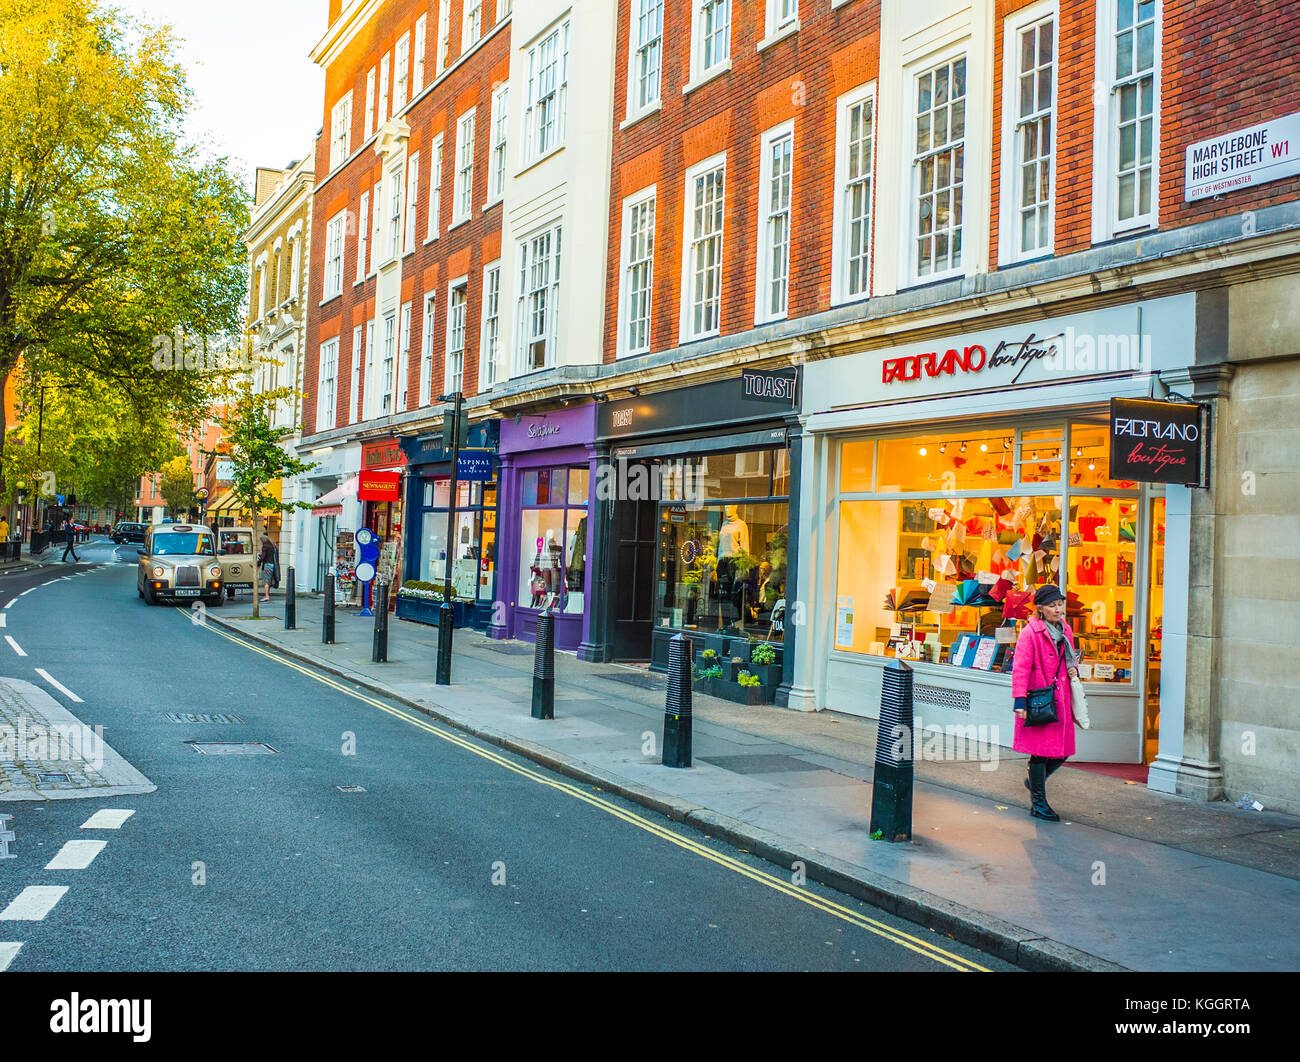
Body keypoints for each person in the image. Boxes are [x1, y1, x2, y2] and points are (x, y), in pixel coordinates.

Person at [1011, 584, 1081, 822]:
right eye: (1052, 605)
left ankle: (1034, 782)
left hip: (1061, 697)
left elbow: (1070, 659)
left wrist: (1074, 671)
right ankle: (1038, 803)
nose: (1058, 609)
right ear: (1040, 608)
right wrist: (1020, 701)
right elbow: (1020, 667)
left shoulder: (1065, 629)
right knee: (1040, 753)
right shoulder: (1030, 633)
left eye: (1060, 603)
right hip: (1040, 698)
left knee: (1062, 752)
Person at [257, 534, 276, 603]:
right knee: (269, 580)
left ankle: (266, 596)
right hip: (272, 564)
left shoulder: (265, 546)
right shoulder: (271, 546)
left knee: (266, 581)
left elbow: (263, 557)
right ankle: (267, 595)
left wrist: (258, 563)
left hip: (267, 565)